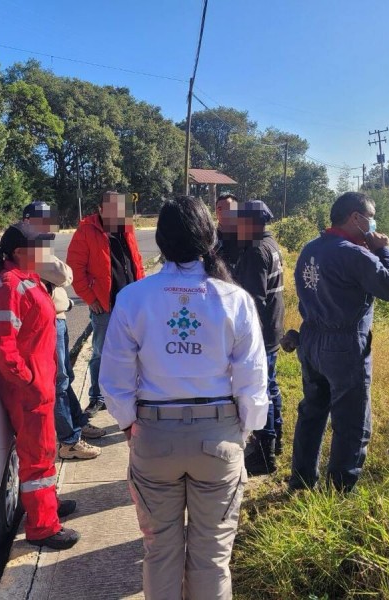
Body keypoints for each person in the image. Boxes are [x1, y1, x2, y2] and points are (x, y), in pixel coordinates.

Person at [100, 195, 268, 600]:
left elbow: (115, 378)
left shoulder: (133, 298)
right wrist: (244, 429)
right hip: (219, 437)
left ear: (161, 241)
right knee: (212, 557)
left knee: (159, 552)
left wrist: (128, 424)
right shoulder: (234, 299)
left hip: (155, 436)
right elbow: (252, 378)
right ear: (210, 239)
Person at [288, 192, 389, 493]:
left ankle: (301, 482)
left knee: (312, 413)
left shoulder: (311, 248)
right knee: (352, 422)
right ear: (356, 218)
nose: (373, 224)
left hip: (311, 339)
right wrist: (385, 251)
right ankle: (340, 491)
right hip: (344, 345)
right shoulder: (355, 254)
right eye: (371, 217)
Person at [0, 223, 80, 550]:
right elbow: (0, 345)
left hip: (38, 386)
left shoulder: (27, 278)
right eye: (40, 247)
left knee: (45, 450)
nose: (45, 253)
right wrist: (27, 380)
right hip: (28, 391)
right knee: (37, 455)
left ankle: (48, 504)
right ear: (19, 252)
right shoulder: (9, 285)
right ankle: (42, 527)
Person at [21, 201, 104, 460]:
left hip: (57, 318)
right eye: (43, 221)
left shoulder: (37, 244)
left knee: (65, 375)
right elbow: (64, 275)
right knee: (59, 382)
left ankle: (77, 424)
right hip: (47, 323)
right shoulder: (30, 247)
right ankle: (69, 441)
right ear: (28, 221)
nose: (49, 227)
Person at [66, 191, 145, 416]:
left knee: (135, 350)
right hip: (105, 305)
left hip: (132, 304)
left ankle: (132, 393)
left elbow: (136, 261)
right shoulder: (86, 231)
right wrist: (90, 299)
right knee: (101, 353)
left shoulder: (127, 228)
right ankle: (97, 397)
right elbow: (75, 268)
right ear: (100, 209)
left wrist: (143, 292)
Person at [232, 200, 286, 476]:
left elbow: (253, 300)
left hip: (260, 333)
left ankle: (265, 455)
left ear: (249, 223)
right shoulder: (271, 244)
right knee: (271, 385)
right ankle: (276, 439)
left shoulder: (255, 251)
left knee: (260, 389)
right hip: (273, 328)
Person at [214, 193, 241, 273]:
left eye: (228, 209)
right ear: (216, 212)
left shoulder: (247, 238)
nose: (224, 213)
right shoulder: (210, 237)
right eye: (220, 209)